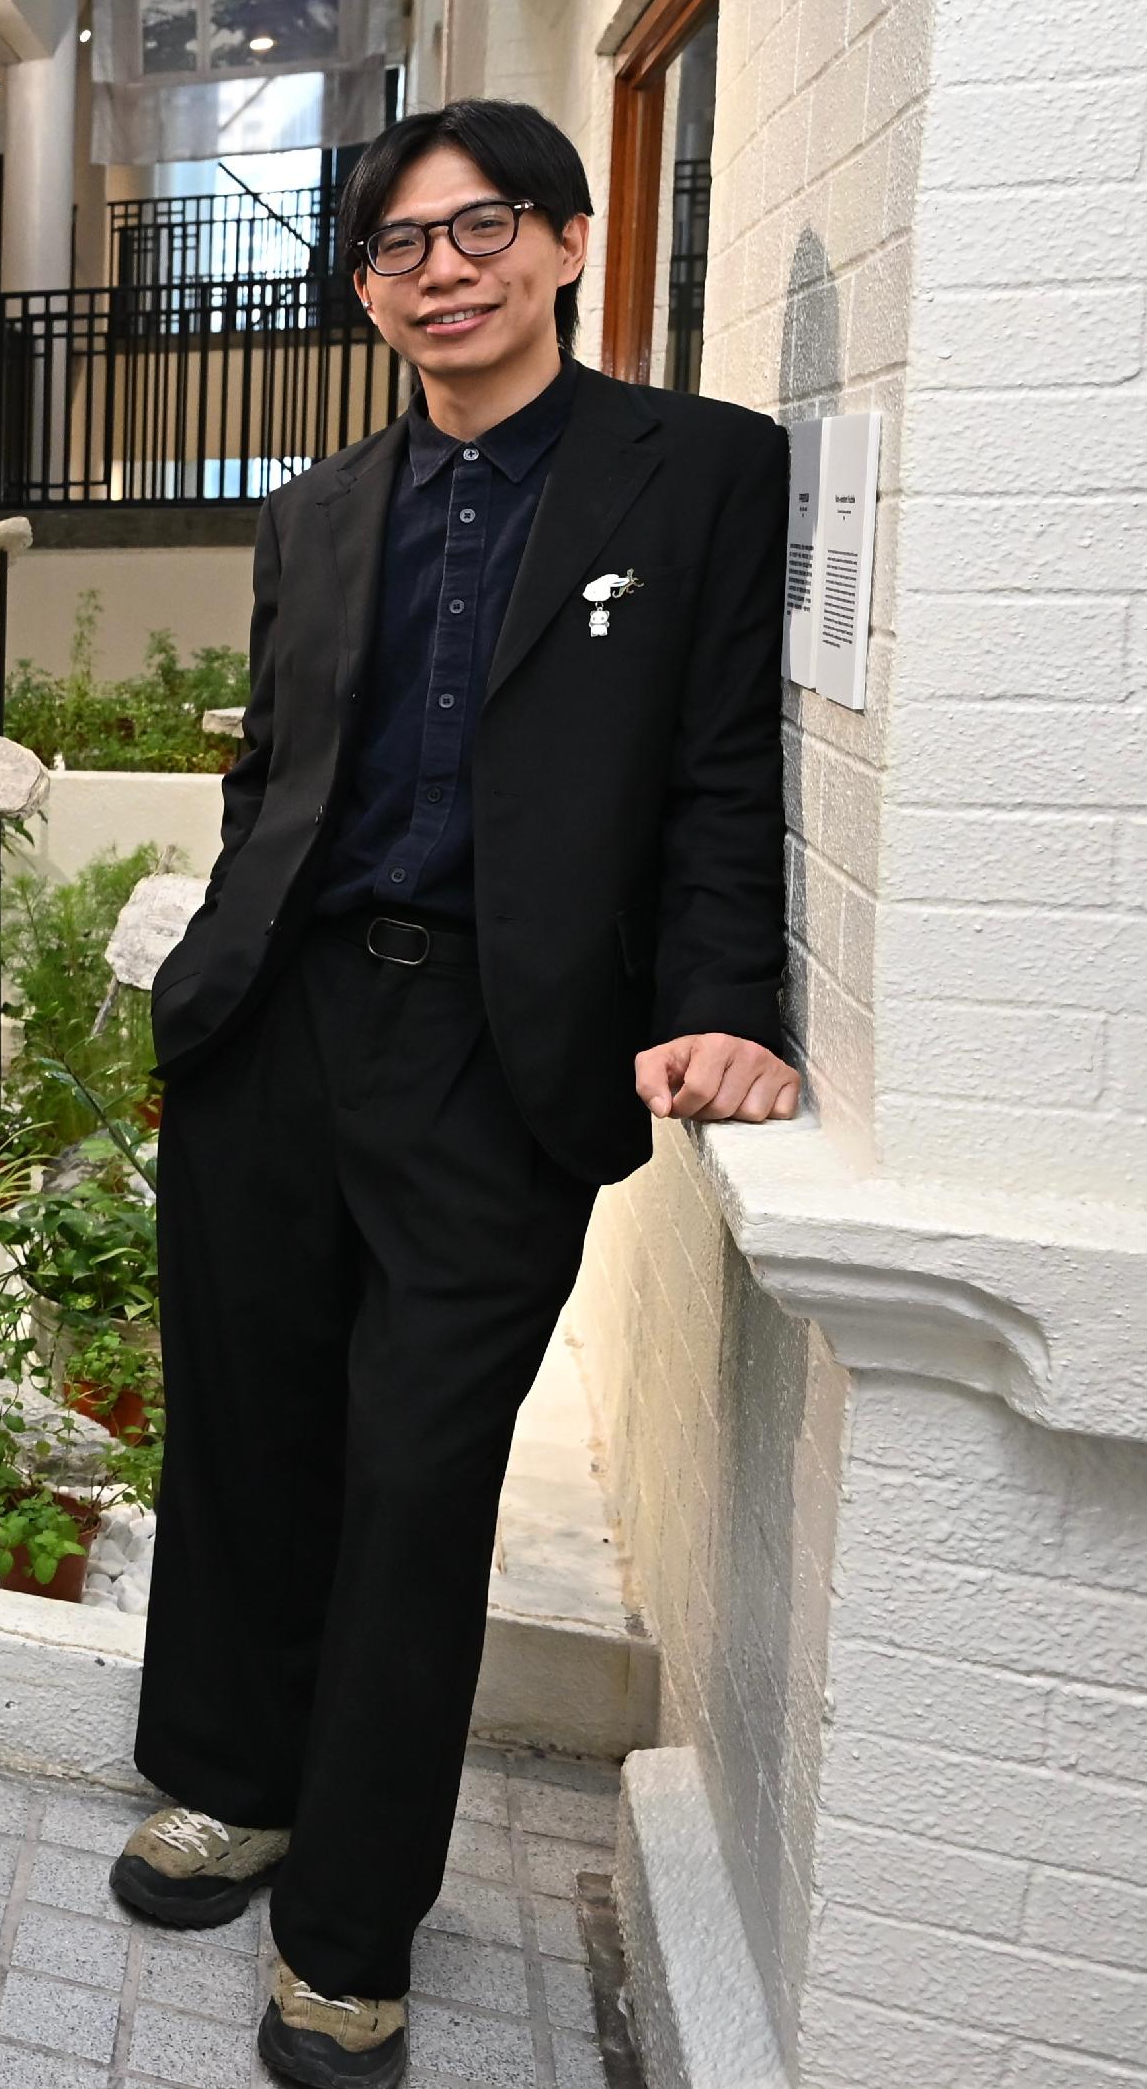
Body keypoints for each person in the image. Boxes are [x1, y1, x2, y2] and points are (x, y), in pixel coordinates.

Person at [123, 103, 797, 2088]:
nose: (440, 266)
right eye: (397, 245)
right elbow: (274, 768)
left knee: (413, 1483)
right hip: (274, 1027)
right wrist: (205, 976)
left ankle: (344, 1933)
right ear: (362, 289)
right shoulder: (315, 507)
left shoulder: (693, 475)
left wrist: (720, 999)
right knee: (246, 1434)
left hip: (493, 1062)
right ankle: (230, 1780)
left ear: (566, 238)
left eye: (478, 224)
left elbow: (716, 771)